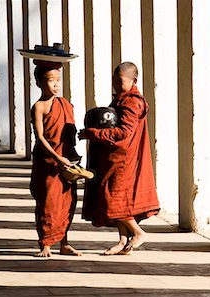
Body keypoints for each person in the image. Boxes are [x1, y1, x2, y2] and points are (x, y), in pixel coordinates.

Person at [79, 62, 160, 255]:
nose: (116, 83)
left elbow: (123, 133)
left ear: (134, 81)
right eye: (114, 80)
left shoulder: (133, 102)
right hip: (113, 157)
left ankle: (138, 233)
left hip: (125, 159)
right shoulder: (121, 99)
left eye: (120, 80)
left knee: (113, 198)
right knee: (118, 199)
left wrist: (94, 134)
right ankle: (123, 241)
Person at [30, 60, 82, 257]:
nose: (56, 85)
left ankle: (65, 242)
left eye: (58, 80)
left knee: (67, 202)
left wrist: (71, 156)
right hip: (48, 162)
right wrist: (57, 157)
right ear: (39, 83)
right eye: (50, 80)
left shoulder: (65, 104)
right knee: (48, 202)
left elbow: (70, 133)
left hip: (66, 161)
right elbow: (40, 137)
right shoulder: (39, 107)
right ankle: (46, 243)